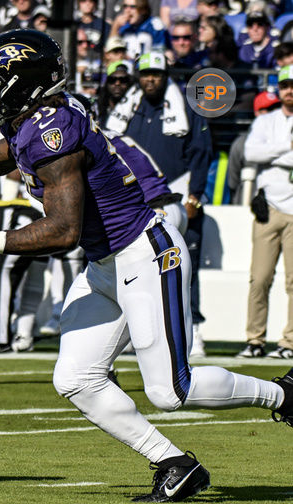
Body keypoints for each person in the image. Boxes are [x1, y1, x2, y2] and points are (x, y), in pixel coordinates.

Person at [0, 28, 293, 503]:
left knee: (172, 391)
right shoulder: (38, 118)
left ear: (21, 81)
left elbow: (63, 229)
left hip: (146, 252)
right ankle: (174, 463)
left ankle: (285, 396)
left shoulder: (54, 131)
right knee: (76, 378)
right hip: (107, 261)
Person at [106, 52, 210, 356]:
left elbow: (202, 153)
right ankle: (133, 331)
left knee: (184, 265)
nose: (151, 79)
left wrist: (195, 196)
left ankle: (195, 330)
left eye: (157, 74)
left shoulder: (187, 107)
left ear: (167, 76)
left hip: (177, 196)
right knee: (135, 264)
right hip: (136, 201)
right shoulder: (128, 109)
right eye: (146, 74)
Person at [240, 65, 293, 360]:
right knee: (259, 278)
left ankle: (289, 343)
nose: (290, 90)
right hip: (269, 208)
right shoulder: (266, 121)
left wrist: (273, 153)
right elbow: (251, 153)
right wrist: (286, 146)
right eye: (285, 84)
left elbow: (262, 153)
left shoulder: (267, 127)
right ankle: (254, 340)